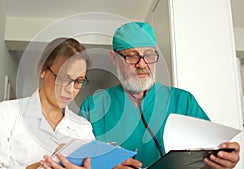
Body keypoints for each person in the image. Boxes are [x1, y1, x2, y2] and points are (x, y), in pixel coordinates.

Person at [79, 22, 240, 169]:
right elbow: (76, 160)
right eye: (132, 56)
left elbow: (207, 156)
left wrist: (223, 161)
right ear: (114, 58)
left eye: (149, 55)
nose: (142, 64)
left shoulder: (183, 102)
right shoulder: (93, 106)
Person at [0, 37, 94, 169]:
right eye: (63, 78)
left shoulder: (84, 128)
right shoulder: (6, 113)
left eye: (78, 81)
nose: (70, 89)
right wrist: (40, 167)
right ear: (43, 70)